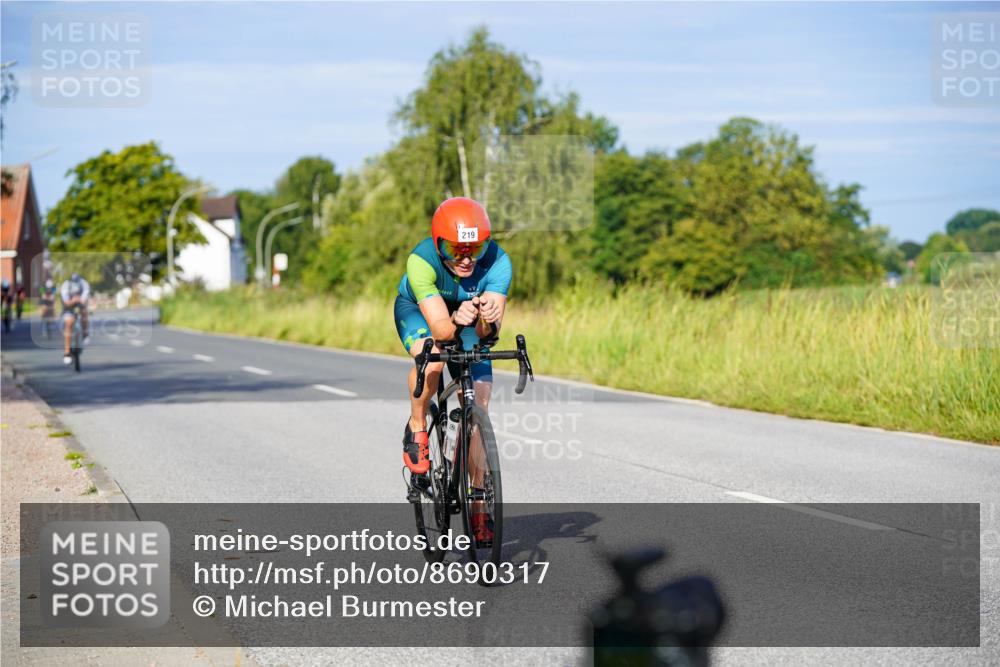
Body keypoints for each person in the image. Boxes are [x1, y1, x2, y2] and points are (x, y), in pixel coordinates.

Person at [394, 197, 512, 545]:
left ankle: (478, 503)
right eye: (454, 249)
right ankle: (418, 427)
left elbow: (488, 335)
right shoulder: (421, 261)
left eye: (475, 249)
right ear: (438, 243)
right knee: (432, 357)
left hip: (467, 318)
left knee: (480, 401)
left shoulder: (499, 263)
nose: (466, 259)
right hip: (421, 312)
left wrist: (488, 319)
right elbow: (443, 331)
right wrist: (456, 319)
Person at [60, 273, 91, 364]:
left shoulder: (84, 283)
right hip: (68, 307)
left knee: (84, 313)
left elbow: (84, 300)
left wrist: (79, 300)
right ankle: (67, 352)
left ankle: (85, 334)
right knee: (69, 323)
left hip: (80, 305)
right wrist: (74, 300)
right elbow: (66, 302)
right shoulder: (66, 285)